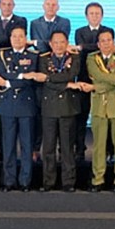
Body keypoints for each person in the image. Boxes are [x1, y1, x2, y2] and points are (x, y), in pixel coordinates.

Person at [0, 27, 45, 192]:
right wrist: (22, 76)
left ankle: (25, 181)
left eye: (20, 36)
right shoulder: (2, 55)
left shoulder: (33, 56)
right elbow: (0, 74)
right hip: (7, 105)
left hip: (26, 105)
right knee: (7, 146)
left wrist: (10, 82)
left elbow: (31, 79)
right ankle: (9, 181)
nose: (17, 39)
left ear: (26, 38)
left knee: (26, 145)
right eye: (14, 36)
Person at [38, 30, 83, 192]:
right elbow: (45, 80)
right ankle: (48, 181)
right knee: (48, 147)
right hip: (49, 108)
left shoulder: (75, 57)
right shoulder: (43, 59)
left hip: (68, 107)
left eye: (62, 42)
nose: (59, 45)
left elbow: (71, 74)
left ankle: (68, 182)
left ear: (67, 43)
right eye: (55, 42)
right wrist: (66, 84)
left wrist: (52, 78)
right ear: (50, 44)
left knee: (67, 147)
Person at [0, 0, 28, 161]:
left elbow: (2, 42)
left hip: (16, 65)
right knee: (1, 113)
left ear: (14, 5)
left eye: (10, 4)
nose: (7, 6)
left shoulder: (21, 21)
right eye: (4, 4)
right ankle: (1, 149)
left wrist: (1, 41)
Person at [87, 28, 115, 192]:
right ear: (98, 44)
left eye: (109, 40)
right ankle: (98, 179)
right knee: (99, 145)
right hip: (98, 107)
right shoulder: (92, 58)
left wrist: (95, 87)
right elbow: (104, 76)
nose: (106, 43)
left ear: (114, 42)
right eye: (103, 41)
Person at [72, 2, 113, 160]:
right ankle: (79, 149)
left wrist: (83, 47)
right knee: (81, 116)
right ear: (86, 16)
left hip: (104, 79)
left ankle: (108, 150)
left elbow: (96, 49)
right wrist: (88, 47)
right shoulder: (79, 31)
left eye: (97, 13)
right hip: (84, 78)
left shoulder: (107, 31)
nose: (94, 16)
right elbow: (94, 49)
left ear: (102, 15)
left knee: (105, 116)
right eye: (91, 13)